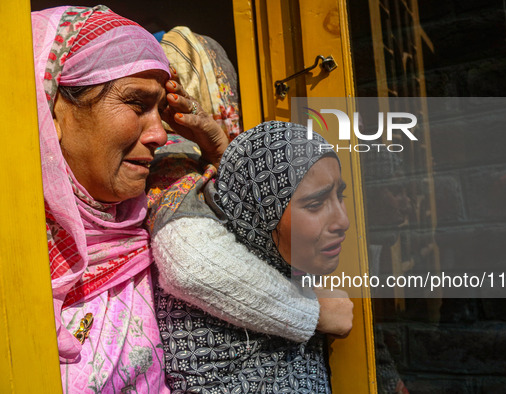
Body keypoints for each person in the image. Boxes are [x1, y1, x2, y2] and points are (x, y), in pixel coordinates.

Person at [35, 6, 350, 392]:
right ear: (51, 107)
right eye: (137, 104)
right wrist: (312, 313)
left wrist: (219, 151)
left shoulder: (144, 217)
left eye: (161, 111)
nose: (160, 135)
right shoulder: (22, 257)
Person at [152, 121, 351, 392]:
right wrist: (313, 312)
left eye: (340, 196)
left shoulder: (282, 263)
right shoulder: (210, 316)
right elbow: (191, 265)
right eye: (316, 204)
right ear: (259, 211)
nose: (343, 221)